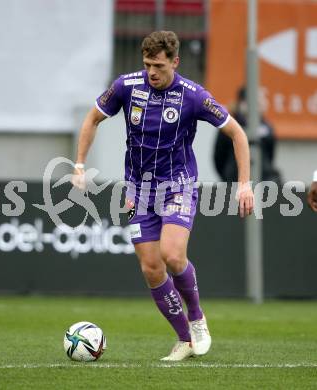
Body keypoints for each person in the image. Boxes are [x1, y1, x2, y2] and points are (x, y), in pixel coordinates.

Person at [72, 31, 254, 361]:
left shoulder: (193, 96)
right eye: (147, 64)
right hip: (138, 190)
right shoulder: (127, 86)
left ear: (175, 62)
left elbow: (237, 134)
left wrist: (244, 183)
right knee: (152, 268)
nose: (151, 72)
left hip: (178, 185)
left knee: (172, 254)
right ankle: (184, 339)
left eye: (158, 65)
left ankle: (197, 317)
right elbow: (92, 118)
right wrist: (80, 164)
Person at [214, 86, 281, 184]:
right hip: (235, 182)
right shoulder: (229, 126)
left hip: (263, 183)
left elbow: (270, 154)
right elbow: (219, 157)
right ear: (243, 103)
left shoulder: (267, 127)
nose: (264, 103)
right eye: (258, 101)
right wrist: (228, 176)